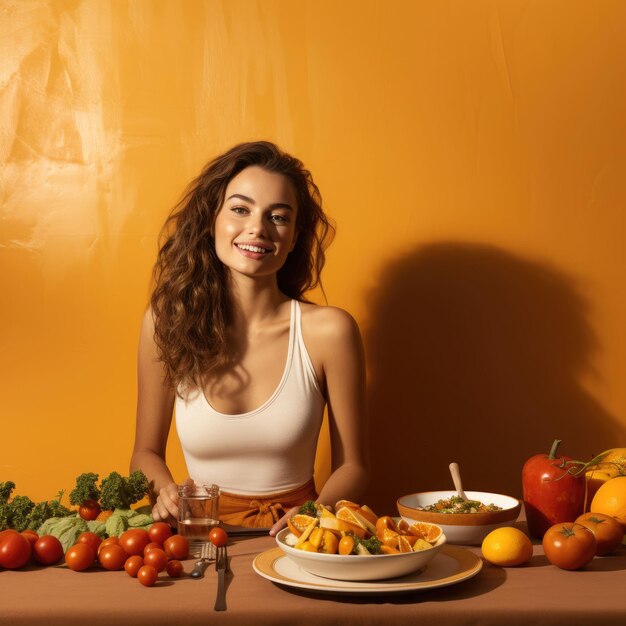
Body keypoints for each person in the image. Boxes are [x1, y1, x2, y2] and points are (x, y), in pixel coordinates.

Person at [130, 141, 368, 535]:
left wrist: (316, 513)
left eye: (278, 216)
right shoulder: (165, 323)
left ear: (294, 237)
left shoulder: (330, 331)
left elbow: (354, 466)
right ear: (212, 220)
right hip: (198, 534)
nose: (257, 227)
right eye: (240, 209)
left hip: (298, 537)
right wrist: (165, 492)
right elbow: (145, 453)